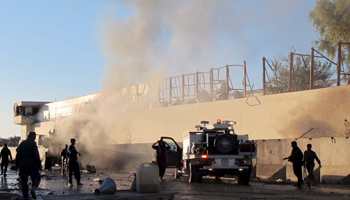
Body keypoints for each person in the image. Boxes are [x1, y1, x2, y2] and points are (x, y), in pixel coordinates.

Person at [16, 132, 41, 200]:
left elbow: (18, 154)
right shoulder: (33, 143)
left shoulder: (22, 143)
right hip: (32, 163)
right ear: (32, 136)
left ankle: (26, 197)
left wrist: (16, 165)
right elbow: (36, 154)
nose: (35, 138)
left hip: (23, 164)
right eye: (34, 136)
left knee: (23, 181)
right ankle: (33, 188)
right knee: (36, 177)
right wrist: (39, 164)